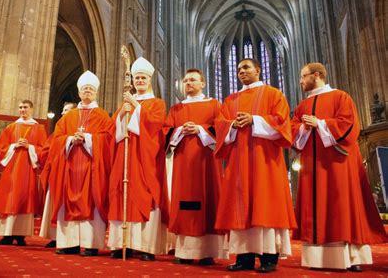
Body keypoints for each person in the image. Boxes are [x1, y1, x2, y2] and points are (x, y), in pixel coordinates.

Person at [291, 62, 387, 271]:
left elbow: (349, 125)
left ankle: (351, 257)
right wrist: (304, 128)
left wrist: (321, 124)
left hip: (338, 163)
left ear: (316, 75)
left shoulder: (340, 97)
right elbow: (293, 129)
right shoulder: (302, 106)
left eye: (303, 76)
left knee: (343, 205)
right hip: (312, 166)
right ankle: (318, 259)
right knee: (315, 207)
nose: (300, 81)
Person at [214, 59, 297, 273]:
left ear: (258, 70)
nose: (242, 71)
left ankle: (269, 258)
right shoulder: (230, 100)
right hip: (238, 162)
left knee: (266, 203)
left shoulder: (273, 94)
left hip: (265, 161)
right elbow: (220, 124)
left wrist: (255, 120)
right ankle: (244, 258)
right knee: (240, 206)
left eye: (246, 67)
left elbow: (282, 123)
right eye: (239, 69)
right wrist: (232, 124)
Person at [108, 57, 168, 261]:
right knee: (120, 193)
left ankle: (145, 247)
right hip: (124, 157)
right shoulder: (124, 104)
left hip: (145, 158)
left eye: (143, 77)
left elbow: (155, 125)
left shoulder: (157, 103)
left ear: (149, 80)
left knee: (145, 193)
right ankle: (120, 244)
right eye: (137, 78)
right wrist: (121, 118)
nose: (139, 81)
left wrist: (136, 107)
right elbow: (112, 131)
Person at [47, 71, 113, 256]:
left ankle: (90, 244)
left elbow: (108, 139)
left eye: (91, 89)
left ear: (96, 92)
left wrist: (88, 138)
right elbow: (56, 138)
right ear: (79, 93)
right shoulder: (68, 116)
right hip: (70, 167)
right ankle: (70, 244)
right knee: (67, 201)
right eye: (85, 89)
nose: (88, 92)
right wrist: (69, 139)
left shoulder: (102, 116)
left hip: (92, 167)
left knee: (92, 201)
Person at [164, 69, 223, 265]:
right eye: (186, 80)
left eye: (193, 80)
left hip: (206, 161)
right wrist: (181, 130)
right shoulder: (176, 109)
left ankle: (208, 252)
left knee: (208, 200)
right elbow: (166, 131)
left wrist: (199, 129)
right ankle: (185, 252)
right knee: (184, 202)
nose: (188, 83)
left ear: (203, 83)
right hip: (183, 163)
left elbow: (221, 127)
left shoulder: (214, 105)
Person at [0, 99, 47, 246]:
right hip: (11, 170)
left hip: (27, 169)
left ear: (32, 109)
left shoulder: (39, 129)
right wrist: (14, 146)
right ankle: (6, 235)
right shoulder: (11, 127)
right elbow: (1, 148)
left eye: (25, 107)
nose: (22, 110)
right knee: (9, 198)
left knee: (24, 199)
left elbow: (44, 150)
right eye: (20, 107)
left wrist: (30, 147)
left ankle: (21, 235)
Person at [39, 102, 75, 249]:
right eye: (63, 110)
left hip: (72, 173)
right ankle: (54, 236)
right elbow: (46, 150)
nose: (63, 113)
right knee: (54, 203)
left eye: (66, 110)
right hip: (56, 172)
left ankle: (67, 237)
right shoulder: (57, 132)